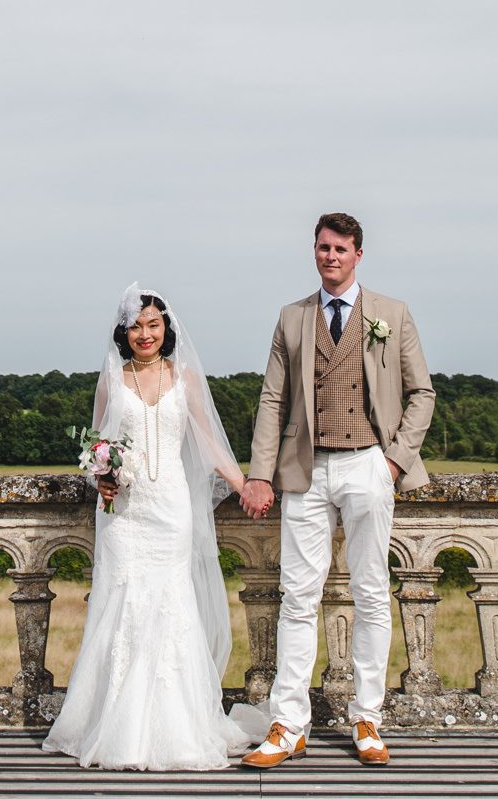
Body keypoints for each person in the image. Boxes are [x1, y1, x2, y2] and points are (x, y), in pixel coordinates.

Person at [238, 212, 436, 768]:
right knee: (297, 596)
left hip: (370, 465)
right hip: (307, 468)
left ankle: (368, 718)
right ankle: (287, 724)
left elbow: (422, 393)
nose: (330, 256)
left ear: (358, 254)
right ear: (315, 251)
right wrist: (260, 472)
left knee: (371, 591)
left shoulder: (392, 314)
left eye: (340, 249)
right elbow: (272, 400)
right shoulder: (292, 317)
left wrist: (394, 463)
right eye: (322, 248)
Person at [41, 285, 266, 770]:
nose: (145, 334)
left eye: (153, 325)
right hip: (123, 514)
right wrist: (99, 477)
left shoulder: (183, 377)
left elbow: (209, 440)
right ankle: (113, 725)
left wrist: (243, 483)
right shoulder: (111, 380)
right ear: (124, 332)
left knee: (169, 606)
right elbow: (98, 445)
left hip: (170, 511)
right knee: (121, 605)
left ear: (167, 329)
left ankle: (178, 729)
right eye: (136, 326)